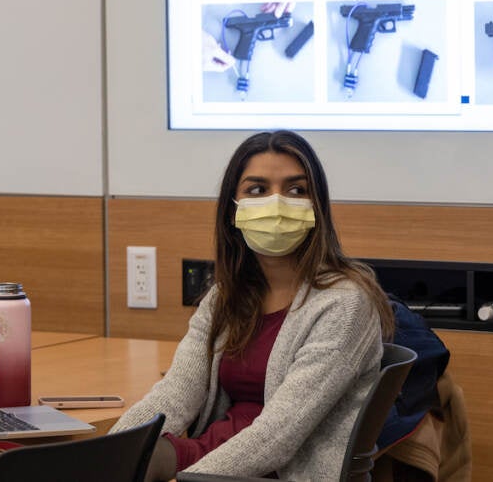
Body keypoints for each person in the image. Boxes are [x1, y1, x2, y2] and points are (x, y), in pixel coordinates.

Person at [109, 130, 395, 481]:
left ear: (316, 207)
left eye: (296, 190)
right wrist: (112, 454)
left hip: (279, 473)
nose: (276, 203)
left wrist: (191, 479)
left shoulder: (345, 304)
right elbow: (175, 393)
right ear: (234, 209)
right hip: (211, 456)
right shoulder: (225, 297)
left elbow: (277, 438)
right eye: (257, 190)